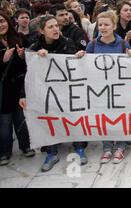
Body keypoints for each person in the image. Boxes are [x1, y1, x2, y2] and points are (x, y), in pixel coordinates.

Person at [27, 15, 87, 172]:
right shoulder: (34, 48)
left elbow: (77, 62)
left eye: (56, 26)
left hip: (68, 92)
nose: (55, 29)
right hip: (47, 94)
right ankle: (51, 153)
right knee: (49, 120)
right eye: (50, 27)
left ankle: (79, 148)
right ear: (41, 30)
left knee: (73, 118)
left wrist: (80, 56)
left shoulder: (67, 43)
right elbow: (29, 75)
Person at [77, 11, 131, 164]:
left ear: (114, 26)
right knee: (105, 118)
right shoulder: (93, 44)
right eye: (100, 24)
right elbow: (86, 65)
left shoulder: (123, 44)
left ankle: (121, 146)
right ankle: (107, 148)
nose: (103, 27)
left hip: (120, 89)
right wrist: (81, 56)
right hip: (101, 90)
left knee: (121, 117)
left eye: (106, 24)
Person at [0, 11, 34, 166]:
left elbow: (29, 64)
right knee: (4, 122)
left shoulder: (19, 39)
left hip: (18, 87)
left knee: (21, 118)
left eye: (2, 21)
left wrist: (21, 57)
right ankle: (4, 152)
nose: (1, 25)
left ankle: (25, 146)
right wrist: (3, 60)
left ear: (8, 22)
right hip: (2, 90)